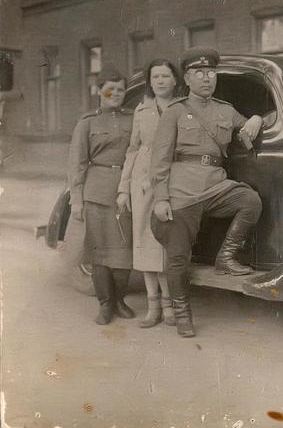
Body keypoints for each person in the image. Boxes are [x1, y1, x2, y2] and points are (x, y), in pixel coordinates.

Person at [150, 47, 263, 338]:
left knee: (250, 200)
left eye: (211, 72)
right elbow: (159, 158)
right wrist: (161, 198)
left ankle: (225, 258)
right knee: (177, 258)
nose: (206, 78)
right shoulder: (175, 111)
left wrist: (257, 119)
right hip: (182, 191)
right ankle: (182, 311)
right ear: (187, 79)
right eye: (199, 73)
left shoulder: (226, 110)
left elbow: (245, 127)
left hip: (216, 185)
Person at [68, 66, 135, 325]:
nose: (116, 93)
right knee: (99, 252)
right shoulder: (87, 122)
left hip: (126, 191)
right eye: (111, 89)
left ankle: (120, 300)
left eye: (121, 89)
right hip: (96, 192)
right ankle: (105, 304)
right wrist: (76, 200)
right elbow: (77, 163)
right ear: (99, 90)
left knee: (124, 251)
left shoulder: (133, 118)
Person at [117, 59, 181, 328]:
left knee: (166, 240)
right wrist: (123, 188)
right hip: (142, 179)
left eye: (166, 76)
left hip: (172, 178)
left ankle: (170, 305)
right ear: (149, 81)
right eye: (155, 77)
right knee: (144, 239)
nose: (160, 81)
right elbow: (132, 150)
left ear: (175, 80)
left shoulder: (183, 108)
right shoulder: (141, 110)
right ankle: (153, 305)